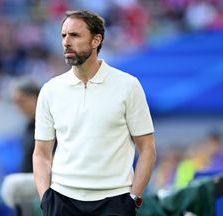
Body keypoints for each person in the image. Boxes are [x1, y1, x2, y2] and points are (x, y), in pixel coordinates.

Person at [33, 10, 156, 216]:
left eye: (75, 35)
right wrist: (46, 199)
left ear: (96, 40)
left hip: (114, 201)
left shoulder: (128, 85)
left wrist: (133, 198)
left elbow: (147, 149)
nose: (66, 42)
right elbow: (41, 154)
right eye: (63, 35)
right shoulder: (51, 89)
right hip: (62, 200)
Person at [0, 79, 42, 216]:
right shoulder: (28, 127)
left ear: (35, 97)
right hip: (30, 196)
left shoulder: (50, 124)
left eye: (21, 101)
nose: (18, 106)